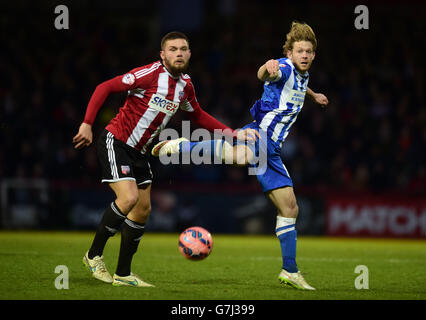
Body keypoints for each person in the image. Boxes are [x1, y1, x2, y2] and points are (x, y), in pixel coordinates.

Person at [73, 31, 258, 287]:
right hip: (116, 141)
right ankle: (93, 256)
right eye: (172, 49)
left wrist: (233, 134)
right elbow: (104, 87)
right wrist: (87, 124)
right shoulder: (148, 74)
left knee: (143, 210)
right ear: (163, 54)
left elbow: (199, 116)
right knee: (128, 198)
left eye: (183, 48)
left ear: (190, 53)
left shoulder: (186, 85)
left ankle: (123, 274)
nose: (178, 53)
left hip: (140, 152)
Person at [152, 22, 329, 290]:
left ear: (313, 55)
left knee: (290, 208)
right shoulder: (282, 67)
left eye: (308, 51)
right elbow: (264, 74)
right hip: (261, 135)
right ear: (289, 54)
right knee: (242, 157)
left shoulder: (303, 75)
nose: (304, 55)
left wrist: (314, 96)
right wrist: (266, 67)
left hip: (274, 149)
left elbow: (299, 86)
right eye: (299, 51)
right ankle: (180, 147)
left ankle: (290, 271)